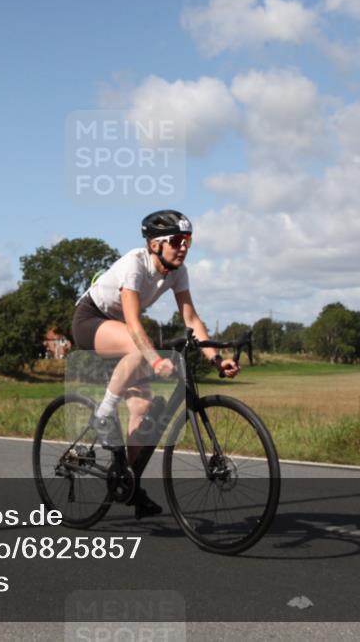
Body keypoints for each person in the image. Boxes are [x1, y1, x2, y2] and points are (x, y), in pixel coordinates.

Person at [71, 209, 239, 518]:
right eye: (176, 241)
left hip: (121, 330)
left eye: (187, 241)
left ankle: (127, 483)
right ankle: (104, 414)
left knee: (143, 409)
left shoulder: (178, 271)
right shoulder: (134, 265)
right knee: (139, 346)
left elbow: (191, 318)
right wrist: (155, 359)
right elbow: (134, 325)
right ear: (154, 245)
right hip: (91, 320)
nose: (183, 247)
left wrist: (216, 360)